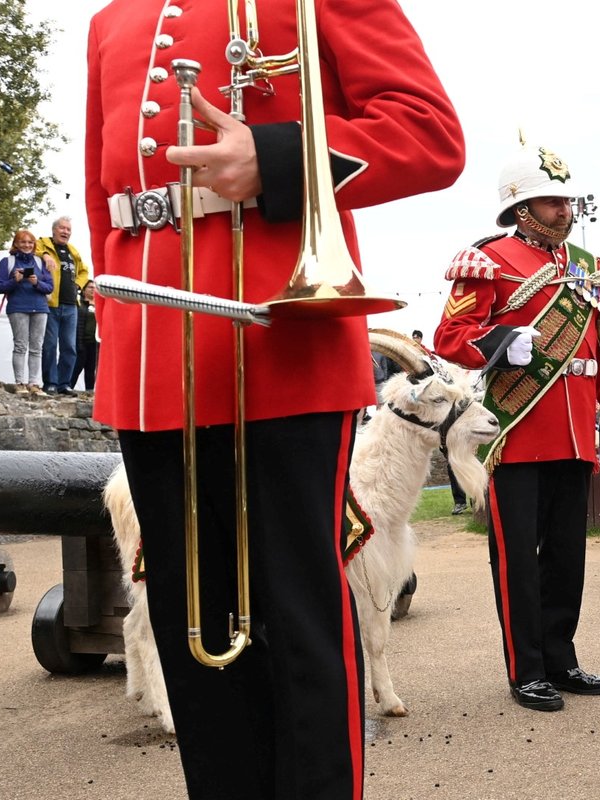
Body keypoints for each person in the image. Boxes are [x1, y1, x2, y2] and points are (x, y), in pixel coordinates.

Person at [84, 2, 465, 797]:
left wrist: (277, 156)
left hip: (279, 340)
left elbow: (430, 134)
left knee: (298, 631)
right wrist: (115, 327)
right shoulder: (111, 20)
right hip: (151, 353)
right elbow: (106, 192)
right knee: (193, 643)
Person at [434, 144, 600, 712]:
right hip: (517, 433)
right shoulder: (489, 261)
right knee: (517, 558)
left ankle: (562, 660)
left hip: (574, 437)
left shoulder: (591, 270)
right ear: (521, 208)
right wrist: (498, 344)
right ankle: (527, 670)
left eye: (567, 201)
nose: (565, 211)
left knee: (568, 555)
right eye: (552, 201)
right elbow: (449, 338)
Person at [0, 229, 53, 396]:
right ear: (16, 244)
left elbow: (50, 287)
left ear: (34, 245)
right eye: (23, 242)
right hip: (18, 307)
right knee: (20, 346)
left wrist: (36, 283)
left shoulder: (40, 262)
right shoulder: (7, 261)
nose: (27, 245)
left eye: (30, 242)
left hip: (40, 307)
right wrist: (15, 281)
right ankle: (20, 383)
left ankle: (34, 383)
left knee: (37, 348)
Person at [35, 216, 90, 396]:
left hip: (71, 305)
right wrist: (44, 255)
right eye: (62, 228)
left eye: (68, 229)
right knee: (50, 345)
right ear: (54, 230)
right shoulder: (43, 243)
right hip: (51, 303)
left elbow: (84, 271)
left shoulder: (72, 250)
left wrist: (78, 285)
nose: (65, 232)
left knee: (69, 346)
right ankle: (50, 382)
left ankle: (63, 383)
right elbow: (30, 248)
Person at [72, 279, 99, 391]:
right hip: (81, 341)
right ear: (83, 290)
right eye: (90, 287)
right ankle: (67, 388)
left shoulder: (100, 305)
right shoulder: (79, 304)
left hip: (95, 343)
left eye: (94, 288)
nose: (93, 290)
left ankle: (89, 391)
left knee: (91, 370)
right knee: (76, 368)